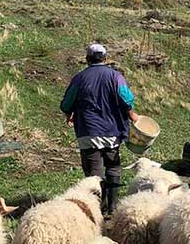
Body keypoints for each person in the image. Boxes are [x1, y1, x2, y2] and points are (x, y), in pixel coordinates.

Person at [60, 42, 140, 216]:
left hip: (88, 131)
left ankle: (96, 210)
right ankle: (112, 207)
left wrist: (69, 113)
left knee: (94, 174)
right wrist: (132, 114)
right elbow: (126, 99)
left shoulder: (79, 78)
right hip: (112, 131)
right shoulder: (115, 77)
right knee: (113, 167)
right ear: (105, 58)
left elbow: (67, 103)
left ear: (87, 59)